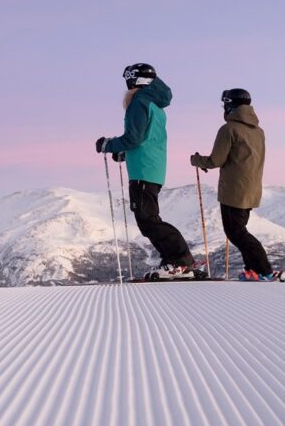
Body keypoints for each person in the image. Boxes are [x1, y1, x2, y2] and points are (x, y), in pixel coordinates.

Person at [96, 63, 206, 280]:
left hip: (143, 171)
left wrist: (108, 144)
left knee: (147, 220)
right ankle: (176, 262)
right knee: (149, 218)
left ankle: (180, 260)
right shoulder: (155, 105)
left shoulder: (139, 103)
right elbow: (147, 140)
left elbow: (133, 138)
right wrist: (125, 153)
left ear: (134, 81)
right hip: (151, 167)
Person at [190, 88, 274, 281]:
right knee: (239, 230)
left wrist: (196, 160)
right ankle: (253, 270)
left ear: (230, 105)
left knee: (236, 232)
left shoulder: (228, 129)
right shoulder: (258, 131)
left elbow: (215, 161)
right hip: (252, 188)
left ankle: (263, 270)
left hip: (234, 189)